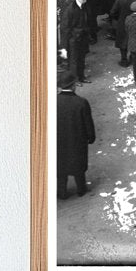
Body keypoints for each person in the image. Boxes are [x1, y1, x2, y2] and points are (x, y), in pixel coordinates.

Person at [56, 71, 95, 199]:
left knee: (60, 167)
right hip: (77, 141)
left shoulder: (53, 102)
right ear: (73, 86)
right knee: (78, 166)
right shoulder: (81, 102)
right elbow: (88, 123)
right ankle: (81, 189)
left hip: (58, 141)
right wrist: (91, 137)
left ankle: (61, 192)